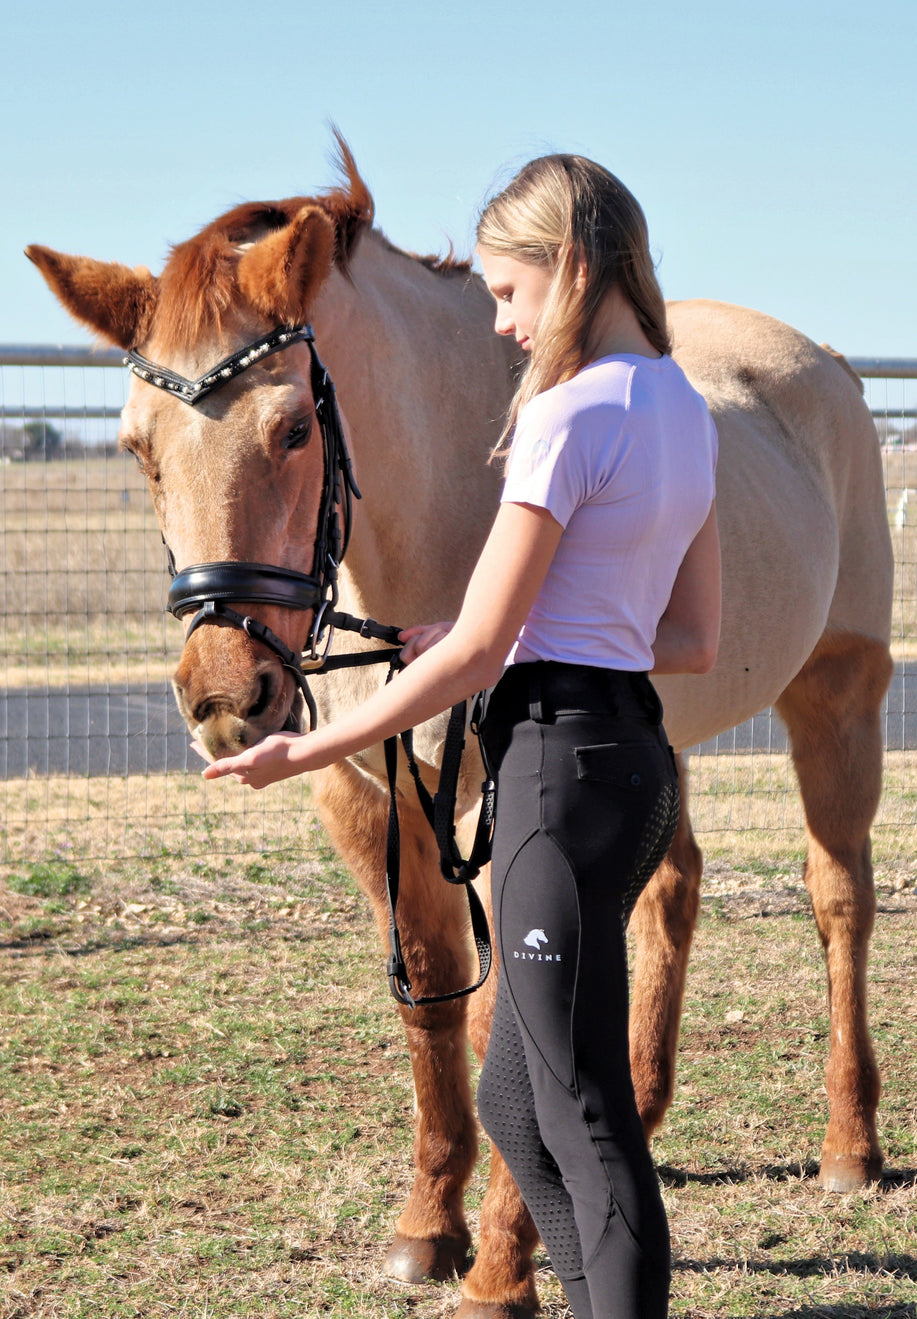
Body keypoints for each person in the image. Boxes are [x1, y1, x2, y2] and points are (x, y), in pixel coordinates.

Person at [202, 153, 721, 1319]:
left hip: (553, 777)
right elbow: (690, 635)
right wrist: (535, 627)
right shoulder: (679, 404)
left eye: (506, 290)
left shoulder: (558, 413)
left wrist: (304, 749)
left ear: (569, 266)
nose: (497, 320)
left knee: (580, 1111)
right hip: (630, 764)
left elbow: (475, 657)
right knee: (515, 1103)